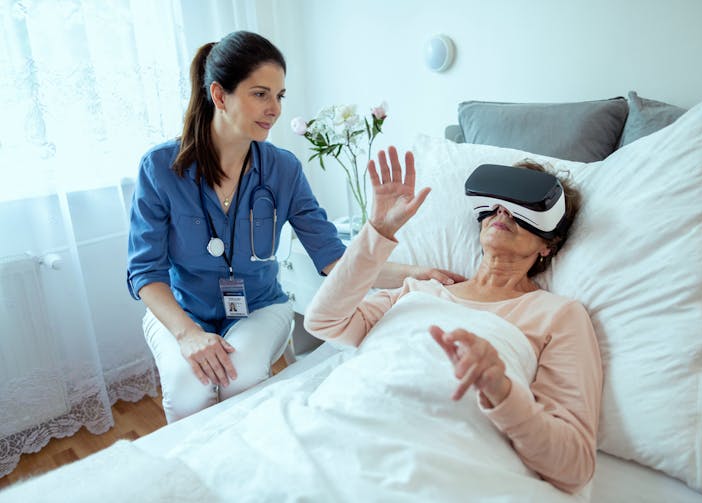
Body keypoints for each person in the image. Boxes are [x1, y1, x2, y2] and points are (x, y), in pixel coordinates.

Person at [126, 31, 462, 423]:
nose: (275, 109)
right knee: (188, 388)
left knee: (240, 377)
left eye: (279, 95)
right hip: (183, 310)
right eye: (260, 94)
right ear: (219, 96)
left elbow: (334, 260)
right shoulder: (160, 168)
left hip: (259, 306)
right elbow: (145, 272)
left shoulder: (283, 169)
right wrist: (186, 334)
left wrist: (415, 271)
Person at [304, 147, 603, 494]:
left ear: (548, 245)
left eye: (526, 206)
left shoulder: (558, 315)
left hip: (435, 463)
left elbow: (575, 466)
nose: (503, 210)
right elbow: (324, 321)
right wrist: (378, 231)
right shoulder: (421, 288)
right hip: (338, 430)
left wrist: (502, 390)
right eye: (497, 202)